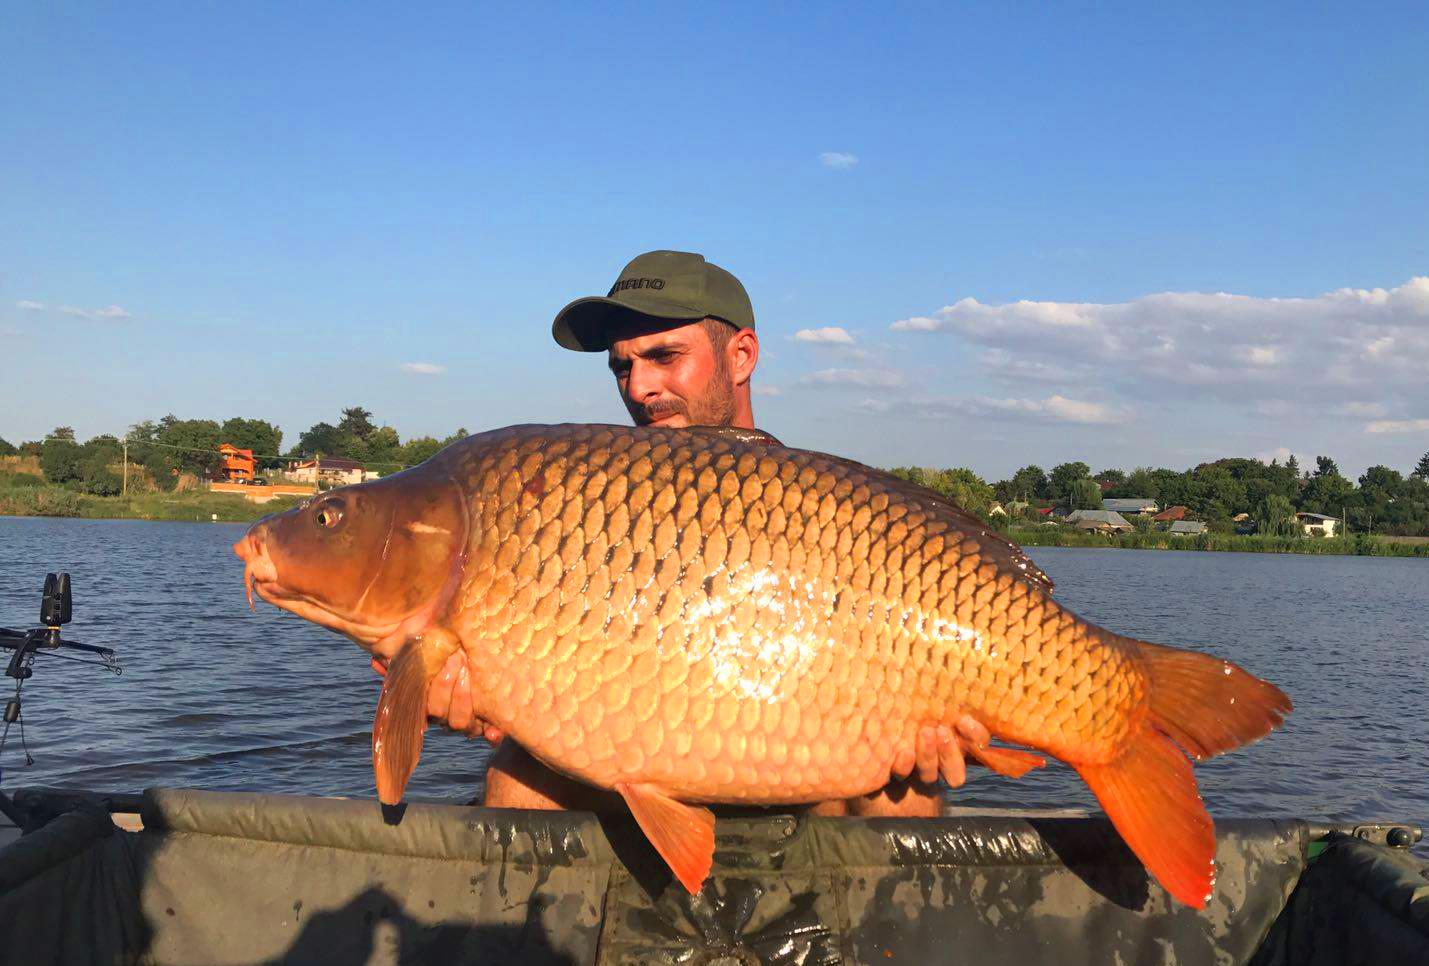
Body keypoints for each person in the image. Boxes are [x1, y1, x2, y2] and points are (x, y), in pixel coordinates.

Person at [425, 250, 983, 817]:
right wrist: (497, 694)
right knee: (522, 773)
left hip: (805, 759)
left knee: (903, 787)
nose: (639, 387)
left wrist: (933, 727)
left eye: (664, 356)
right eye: (622, 367)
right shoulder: (597, 510)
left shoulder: (826, 509)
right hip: (641, 744)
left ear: (741, 356)